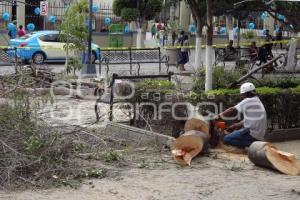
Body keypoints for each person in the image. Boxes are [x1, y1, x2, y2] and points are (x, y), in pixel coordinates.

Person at [214, 82, 267, 149]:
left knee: (226, 139)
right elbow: (249, 119)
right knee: (236, 132)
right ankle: (249, 143)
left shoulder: (248, 100)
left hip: (252, 134)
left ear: (245, 94)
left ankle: (249, 145)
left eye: (242, 95)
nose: (242, 96)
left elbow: (232, 109)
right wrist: (234, 126)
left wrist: (218, 116)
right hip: (259, 134)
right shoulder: (256, 100)